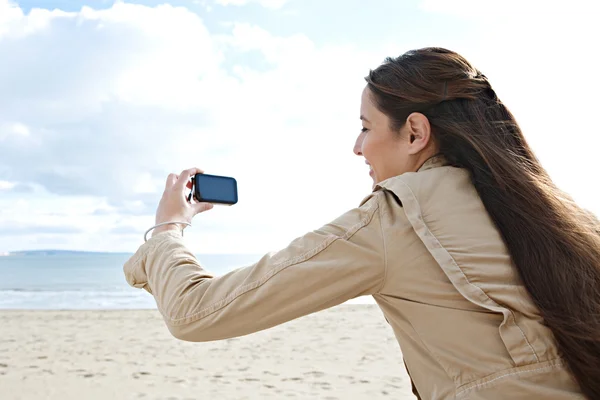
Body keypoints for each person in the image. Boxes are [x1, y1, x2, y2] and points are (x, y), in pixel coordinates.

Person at [123, 47, 600, 399]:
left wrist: (168, 231)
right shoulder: (553, 213)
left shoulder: (395, 221)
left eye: (366, 126)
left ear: (414, 132)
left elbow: (197, 312)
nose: (357, 146)